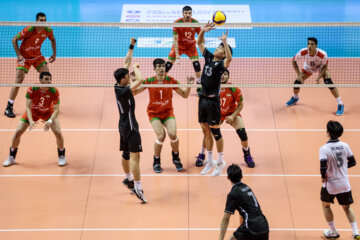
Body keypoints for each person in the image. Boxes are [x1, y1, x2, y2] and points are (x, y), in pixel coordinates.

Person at [133, 58, 193, 173]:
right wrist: (133, 81)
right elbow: (134, 92)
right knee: (161, 136)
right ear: (154, 69)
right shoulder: (149, 81)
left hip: (167, 113)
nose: (161, 68)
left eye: (163, 66)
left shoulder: (171, 80)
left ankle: (176, 157)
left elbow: (185, 95)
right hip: (154, 113)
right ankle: (156, 160)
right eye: (159, 66)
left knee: (173, 134)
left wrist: (189, 85)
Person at [3, 72, 65, 167]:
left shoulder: (54, 91)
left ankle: (61, 156)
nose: (48, 82)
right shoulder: (32, 89)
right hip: (33, 112)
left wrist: (50, 121)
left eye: (49, 80)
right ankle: (11, 157)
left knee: (58, 133)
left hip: (48, 112)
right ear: (40, 80)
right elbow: (28, 107)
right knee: (18, 132)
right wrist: (31, 121)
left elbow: (56, 110)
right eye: (46, 79)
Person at [196, 70, 255, 168]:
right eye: (221, 74)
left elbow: (240, 104)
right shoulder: (213, 88)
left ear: (228, 77)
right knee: (208, 134)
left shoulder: (234, 89)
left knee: (242, 132)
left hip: (231, 113)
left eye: (225, 74)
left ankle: (247, 154)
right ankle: (202, 154)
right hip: (216, 114)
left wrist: (233, 116)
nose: (223, 76)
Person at [196, 22, 232, 176]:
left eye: (221, 49)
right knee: (205, 132)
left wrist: (225, 42)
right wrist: (203, 31)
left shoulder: (222, 64)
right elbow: (199, 43)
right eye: (218, 47)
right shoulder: (209, 58)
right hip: (202, 99)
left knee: (216, 133)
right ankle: (209, 160)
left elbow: (229, 59)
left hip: (213, 102)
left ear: (223, 54)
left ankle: (220, 161)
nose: (217, 49)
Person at [5, 12, 56, 118]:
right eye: (41, 20)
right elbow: (14, 39)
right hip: (24, 58)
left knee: (46, 76)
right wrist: (19, 55)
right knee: (19, 80)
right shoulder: (29, 29)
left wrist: (54, 54)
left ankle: (45, 104)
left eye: (44, 20)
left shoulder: (48, 30)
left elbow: (52, 39)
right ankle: (9, 107)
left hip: (37, 57)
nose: (43, 22)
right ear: (36, 21)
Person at [114, 38, 147, 203]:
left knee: (126, 154)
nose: (130, 76)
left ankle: (128, 178)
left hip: (122, 126)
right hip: (131, 127)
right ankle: (138, 188)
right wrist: (136, 69)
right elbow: (139, 80)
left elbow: (126, 62)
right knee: (136, 157)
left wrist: (131, 47)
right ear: (123, 80)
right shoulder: (123, 91)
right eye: (128, 76)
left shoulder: (118, 87)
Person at [320, 121, 359, 239]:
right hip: (344, 183)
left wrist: (323, 177)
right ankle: (356, 232)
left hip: (331, 184)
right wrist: (341, 168)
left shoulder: (324, 148)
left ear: (328, 133)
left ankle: (333, 232)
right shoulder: (345, 145)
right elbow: (352, 162)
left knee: (326, 205)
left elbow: (323, 167)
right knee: (347, 207)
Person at [285, 37, 344, 116]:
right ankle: (295, 98)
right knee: (297, 82)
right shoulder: (303, 52)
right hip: (308, 67)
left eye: (312, 44)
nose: (309, 46)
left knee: (328, 82)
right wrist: (299, 74)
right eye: (308, 44)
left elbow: (325, 66)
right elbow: (293, 61)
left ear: (316, 46)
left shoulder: (323, 54)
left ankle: (340, 104)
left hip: (320, 67)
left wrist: (319, 76)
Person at [219, 164, 269, 240]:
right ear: (242, 176)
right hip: (264, 226)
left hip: (251, 227)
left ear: (228, 177)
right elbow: (243, 212)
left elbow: (226, 218)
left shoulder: (233, 194)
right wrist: (242, 227)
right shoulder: (246, 187)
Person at [165, 6, 202, 84]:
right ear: (182, 13)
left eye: (189, 13)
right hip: (178, 46)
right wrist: (177, 55)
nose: (187, 15)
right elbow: (175, 39)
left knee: (196, 65)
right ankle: (161, 81)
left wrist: (203, 36)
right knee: (168, 65)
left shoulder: (196, 23)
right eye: (186, 13)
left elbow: (200, 36)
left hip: (190, 47)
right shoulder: (177, 23)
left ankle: (199, 84)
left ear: (191, 14)